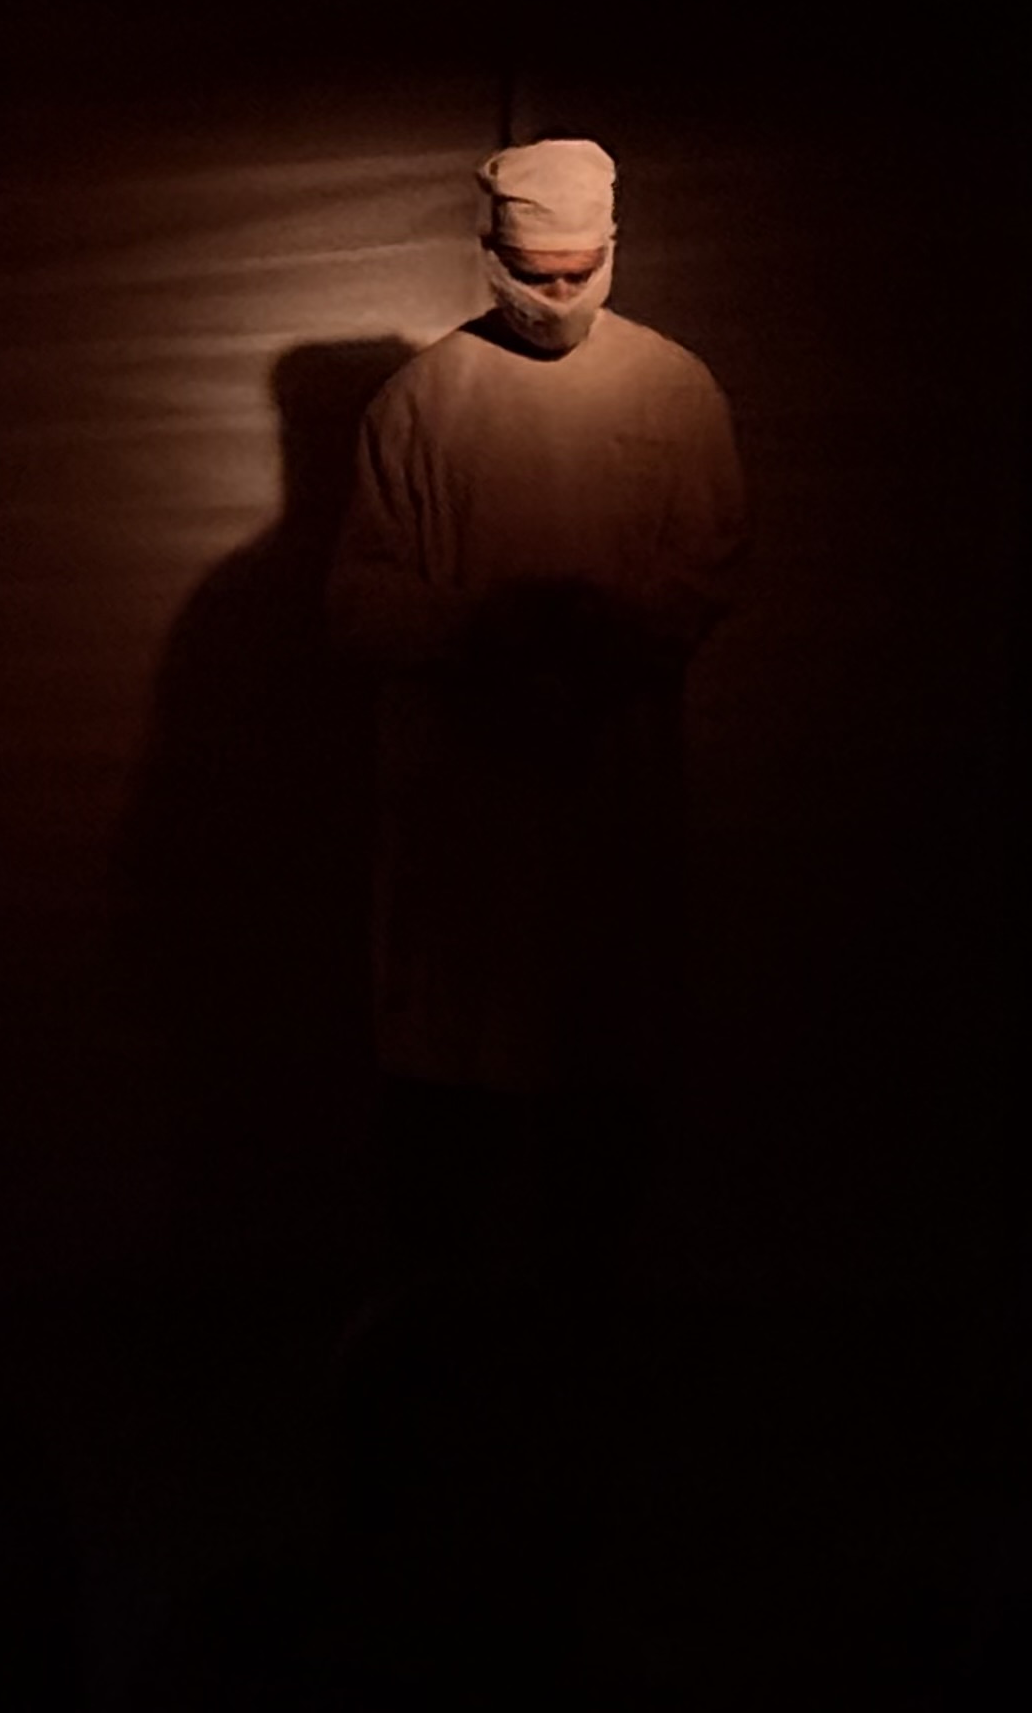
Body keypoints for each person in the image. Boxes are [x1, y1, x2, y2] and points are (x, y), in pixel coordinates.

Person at [326, 136, 744, 1311]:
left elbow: (708, 568)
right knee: (450, 1101)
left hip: (605, 792)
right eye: (532, 275)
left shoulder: (673, 392)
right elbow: (360, 601)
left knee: (598, 1089)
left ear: (613, 250)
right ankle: (438, 1340)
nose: (556, 298)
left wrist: (598, 644)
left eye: (577, 274)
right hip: (462, 812)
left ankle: (579, 1337)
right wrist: (488, 633)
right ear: (489, 255)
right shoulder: (423, 403)